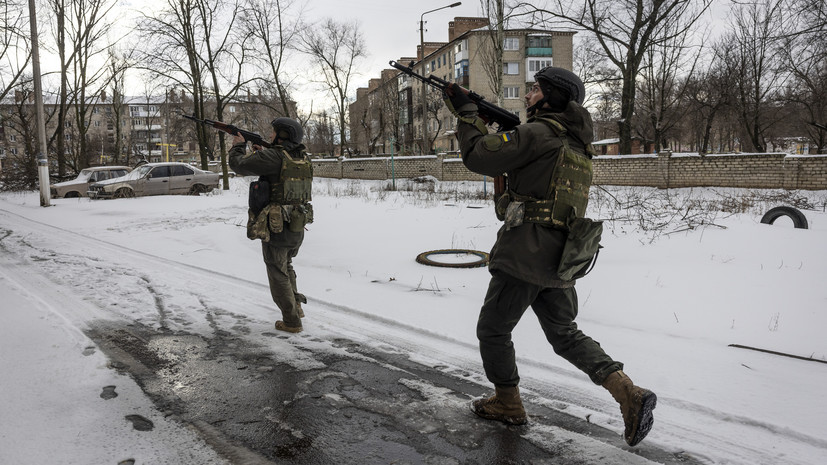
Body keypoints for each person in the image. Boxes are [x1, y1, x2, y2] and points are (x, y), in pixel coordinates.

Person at [443, 67, 657, 447]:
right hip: (560, 258)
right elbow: (516, 198)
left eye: (535, 90)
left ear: (553, 96)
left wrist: (467, 116)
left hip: (525, 253)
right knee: (564, 334)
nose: (527, 95)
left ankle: (508, 403)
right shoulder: (576, 144)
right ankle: (628, 392)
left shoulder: (540, 133)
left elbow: (477, 156)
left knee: (493, 329)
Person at [228, 117, 313, 334]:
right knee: (287, 265)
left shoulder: (274, 156)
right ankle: (297, 308)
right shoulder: (301, 157)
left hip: (277, 226)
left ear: (283, 135)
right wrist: (259, 152)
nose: (270, 136)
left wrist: (238, 146)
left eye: (274, 132)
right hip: (296, 224)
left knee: (277, 271)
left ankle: (292, 321)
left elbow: (238, 165)